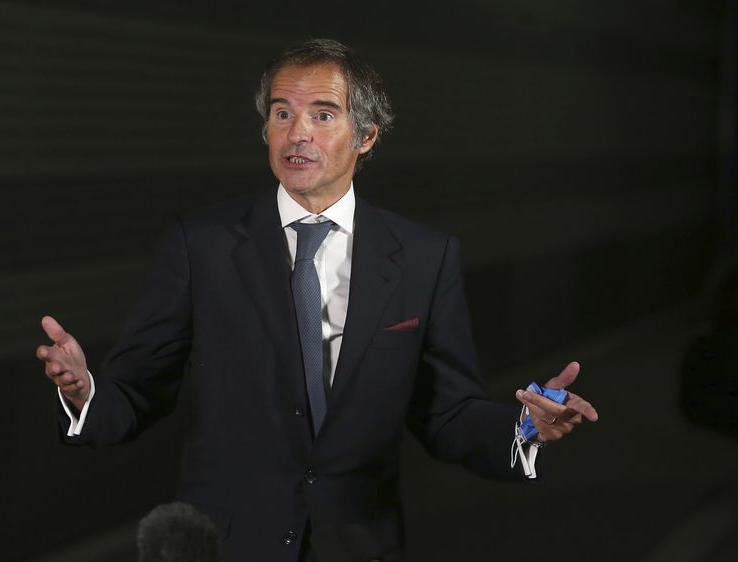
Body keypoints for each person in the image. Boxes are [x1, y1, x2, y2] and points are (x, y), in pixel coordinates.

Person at [36, 38, 598, 562]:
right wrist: (88, 391)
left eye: (322, 115)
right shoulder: (201, 245)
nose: (296, 133)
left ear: (367, 135)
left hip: (356, 542)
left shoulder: (425, 259)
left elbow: (446, 413)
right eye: (282, 113)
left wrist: (524, 428)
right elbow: (138, 390)